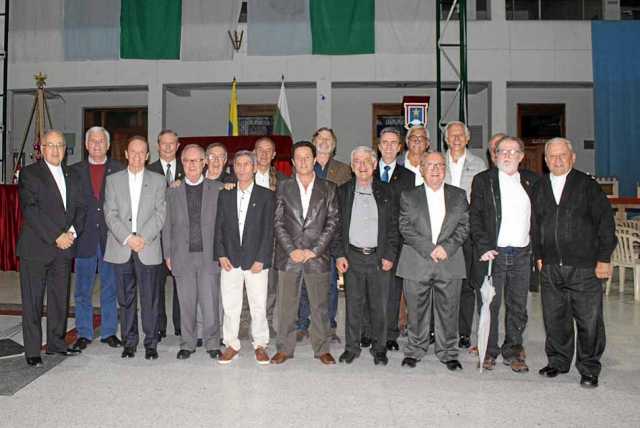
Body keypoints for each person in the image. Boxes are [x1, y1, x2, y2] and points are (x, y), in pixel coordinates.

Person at [533, 137, 616, 389]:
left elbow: (605, 224)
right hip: (550, 267)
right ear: (545, 161)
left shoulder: (587, 186)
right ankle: (558, 361)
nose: (557, 160)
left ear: (572, 158)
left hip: (585, 267)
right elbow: (534, 225)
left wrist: (604, 258)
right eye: (552, 157)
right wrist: (538, 255)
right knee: (555, 318)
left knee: (589, 320)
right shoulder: (539, 186)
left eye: (562, 156)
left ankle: (589, 368)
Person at [17, 130, 86, 366]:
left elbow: (81, 208)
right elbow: (31, 210)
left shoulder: (73, 175)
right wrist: (57, 236)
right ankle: (33, 351)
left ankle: (56, 343)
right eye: (51, 145)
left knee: (59, 299)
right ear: (42, 148)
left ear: (65, 149)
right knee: (33, 301)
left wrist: (72, 233)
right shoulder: (29, 174)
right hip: (36, 248)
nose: (56, 150)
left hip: (64, 248)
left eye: (60, 145)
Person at [469, 136, 539, 372]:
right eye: (502, 152)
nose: (507, 156)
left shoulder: (532, 181)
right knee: (490, 304)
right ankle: (488, 351)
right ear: (494, 156)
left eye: (513, 152)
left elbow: (540, 218)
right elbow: (475, 216)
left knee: (518, 306)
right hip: (494, 254)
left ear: (521, 156)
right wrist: (483, 246)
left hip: (522, 254)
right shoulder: (483, 180)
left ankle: (513, 350)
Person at [396, 152, 469, 371]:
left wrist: (446, 248)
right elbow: (405, 227)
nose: (435, 169)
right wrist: (430, 249)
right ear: (422, 169)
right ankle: (415, 349)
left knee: (449, 309)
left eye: (440, 165)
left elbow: (465, 225)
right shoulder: (408, 196)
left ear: (445, 169)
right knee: (416, 309)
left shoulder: (459, 195)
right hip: (417, 260)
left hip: (450, 260)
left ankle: (448, 352)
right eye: (430, 165)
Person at [271, 141, 340, 365]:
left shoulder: (328, 188)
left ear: (314, 159)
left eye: (307, 157)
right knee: (286, 306)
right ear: (292, 162)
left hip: (316, 257)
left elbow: (332, 222)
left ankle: (322, 349)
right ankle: (284, 348)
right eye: (298, 157)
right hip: (289, 258)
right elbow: (278, 222)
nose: (303, 161)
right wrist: (292, 250)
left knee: (320, 306)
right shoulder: (283, 187)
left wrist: (314, 250)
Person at [333, 146, 399, 366]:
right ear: (352, 167)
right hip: (352, 257)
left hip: (378, 258)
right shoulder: (342, 192)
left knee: (379, 307)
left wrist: (390, 254)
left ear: (374, 165)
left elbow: (393, 227)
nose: (362, 166)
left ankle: (379, 349)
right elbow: (336, 227)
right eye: (357, 162)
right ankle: (351, 348)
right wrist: (339, 255)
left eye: (366, 162)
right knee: (353, 306)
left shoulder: (387, 191)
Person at [104, 136, 166, 360]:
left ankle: (151, 343)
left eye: (142, 152)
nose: (138, 156)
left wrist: (142, 238)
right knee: (125, 298)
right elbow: (110, 214)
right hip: (122, 247)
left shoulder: (159, 180)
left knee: (150, 298)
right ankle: (129, 342)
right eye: (134, 152)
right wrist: (128, 238)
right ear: (126, 154)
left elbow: (161, 214)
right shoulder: (113, 180)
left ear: (148, 155)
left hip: (147, 247)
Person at [162, 144, 223, 360]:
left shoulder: (218, 189)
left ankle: (212, 343)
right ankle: (187, 343)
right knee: (186, 303)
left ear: (204, 162)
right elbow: (167, 224)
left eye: (196, 160)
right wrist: (167, 254)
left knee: (210, 303)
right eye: (187, 160)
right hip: (182, 255)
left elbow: (224, 226)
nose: (192, 165)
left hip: (209, 256)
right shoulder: (172, 191)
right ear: (182, 163)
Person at [215, 150, 275, 365]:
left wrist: (262, 258)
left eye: (246, 164)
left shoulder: (266, 195)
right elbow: (219, 226)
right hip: (230, 259)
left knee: (259, 305)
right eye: (237, 164)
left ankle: (260, 344)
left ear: (254, 167)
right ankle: (231, 344)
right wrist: (220, 253)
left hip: (256, 260)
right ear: (233, 168)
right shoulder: (225, 194)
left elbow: (269, 230)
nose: (241, 168)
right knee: (230, 305)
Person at [71, 127, 124, 351]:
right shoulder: (73, 171)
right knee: (82, 290)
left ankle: (109, 331)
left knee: (110, 288)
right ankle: (84, 332)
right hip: (84, 238)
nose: (97, 145)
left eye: (101, 141)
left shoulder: (119, 170)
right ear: (86, 145)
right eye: (92, 141)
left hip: (110, 239)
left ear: (108, 145)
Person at [297, 128, 351, 343]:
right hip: (304, 236)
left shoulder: (344, 170)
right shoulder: (303, 166)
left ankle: (329, 325)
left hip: (330, 236)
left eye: (329, 139)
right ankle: (301, 324)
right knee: (302, 283)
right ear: (313, 142)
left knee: (329, 284)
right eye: (320, 139)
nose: (324, 142)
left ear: (334, 145)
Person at [365, 127, 415, 351]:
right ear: (378, 145)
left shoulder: (408, 177)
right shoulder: (367, 172)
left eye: (393, 143)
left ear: (399, 147)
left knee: (393, 289)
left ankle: (391, 334)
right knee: (369, 287)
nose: (388, 146)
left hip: (397, 240)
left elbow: (408, 210)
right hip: (368, 238)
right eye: (384, 142)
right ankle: (367, 331)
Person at [443, 121, 487, 349]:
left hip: (468, 232)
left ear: (467, 139)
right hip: (443, 233)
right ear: (446, 139)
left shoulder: (479, 164)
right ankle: (440, 330)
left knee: (468, 284)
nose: (456, 139)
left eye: (460, 135)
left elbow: (480, 202)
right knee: (443, 282)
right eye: (452, 136)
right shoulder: (437, 162)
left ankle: (463, 332)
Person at [147, 129, 183, 339]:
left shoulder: (188, 168)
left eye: (172, 144)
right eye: (164, 144)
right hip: (155, 237)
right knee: (156, 285)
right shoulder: (148, 170)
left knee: (182, 284)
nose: (168, 147)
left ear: (178, 146)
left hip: (180, 237)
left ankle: (180, 325)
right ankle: (159, 326)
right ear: (157, 146)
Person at [253, 137, 288, 338]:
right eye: (260, 150)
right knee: (246, 285)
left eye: (269, 151)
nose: (264, 154)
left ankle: (266, 322)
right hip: (247, 241)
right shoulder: (242, 177)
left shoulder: (283, 181)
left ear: (274, 155)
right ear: (254, 152)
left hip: (274, 242)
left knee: (271, 286)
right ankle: (245, 322)